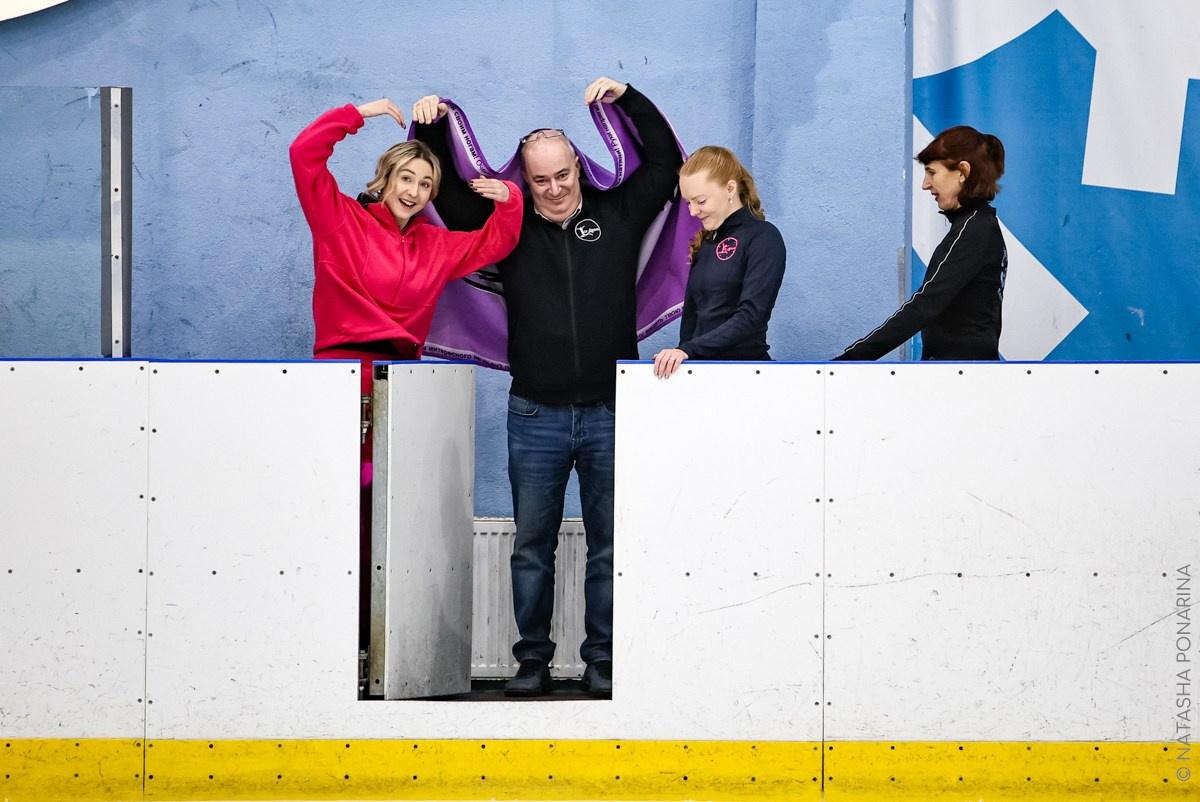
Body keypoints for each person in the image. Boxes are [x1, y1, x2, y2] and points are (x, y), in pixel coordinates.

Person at [412, 77, 683, 698]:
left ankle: (604, 662)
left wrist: (627, 98)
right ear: (523, 181)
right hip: (534, 415)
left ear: (578, 169)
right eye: (541, 180)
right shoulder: (502, 227)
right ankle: (530, 660)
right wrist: (430, 123)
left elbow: (667, 162)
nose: (555, 188)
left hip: (612, 412)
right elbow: (444, 193)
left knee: (610, 547)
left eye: (564, 175)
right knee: (531, 548)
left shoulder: (617, 214)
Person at [290, 98, 523, 647]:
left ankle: (376, 638)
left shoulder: (433, 245)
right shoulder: (338, 217)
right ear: (385, 178)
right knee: (339, 502)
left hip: (400, 382)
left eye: (425, 183)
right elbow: (305, 153)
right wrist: (359, 113)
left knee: (388, 511)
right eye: (406, 177)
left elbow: (498, 242)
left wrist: (509, 201)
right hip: (341, 373)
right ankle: (327, 632)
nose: (414, 190)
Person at [833, 125, 1007, 361]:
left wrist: (850, 360)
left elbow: (925, 305)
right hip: (959, 373)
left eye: (932, 173)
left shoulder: (974, 229)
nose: (925, 184)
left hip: (962, 379)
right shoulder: (975, 226)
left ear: (963, 172)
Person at [652, 146, 786, 379]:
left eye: (700, 201)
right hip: (703, 376)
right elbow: (691, 321)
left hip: (746, 375)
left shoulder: (764, 237)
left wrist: (688, 351)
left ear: (730, 188)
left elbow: (751, 317)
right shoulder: (705, 244)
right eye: (688, 203)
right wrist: (683, 359)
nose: (693, 211)